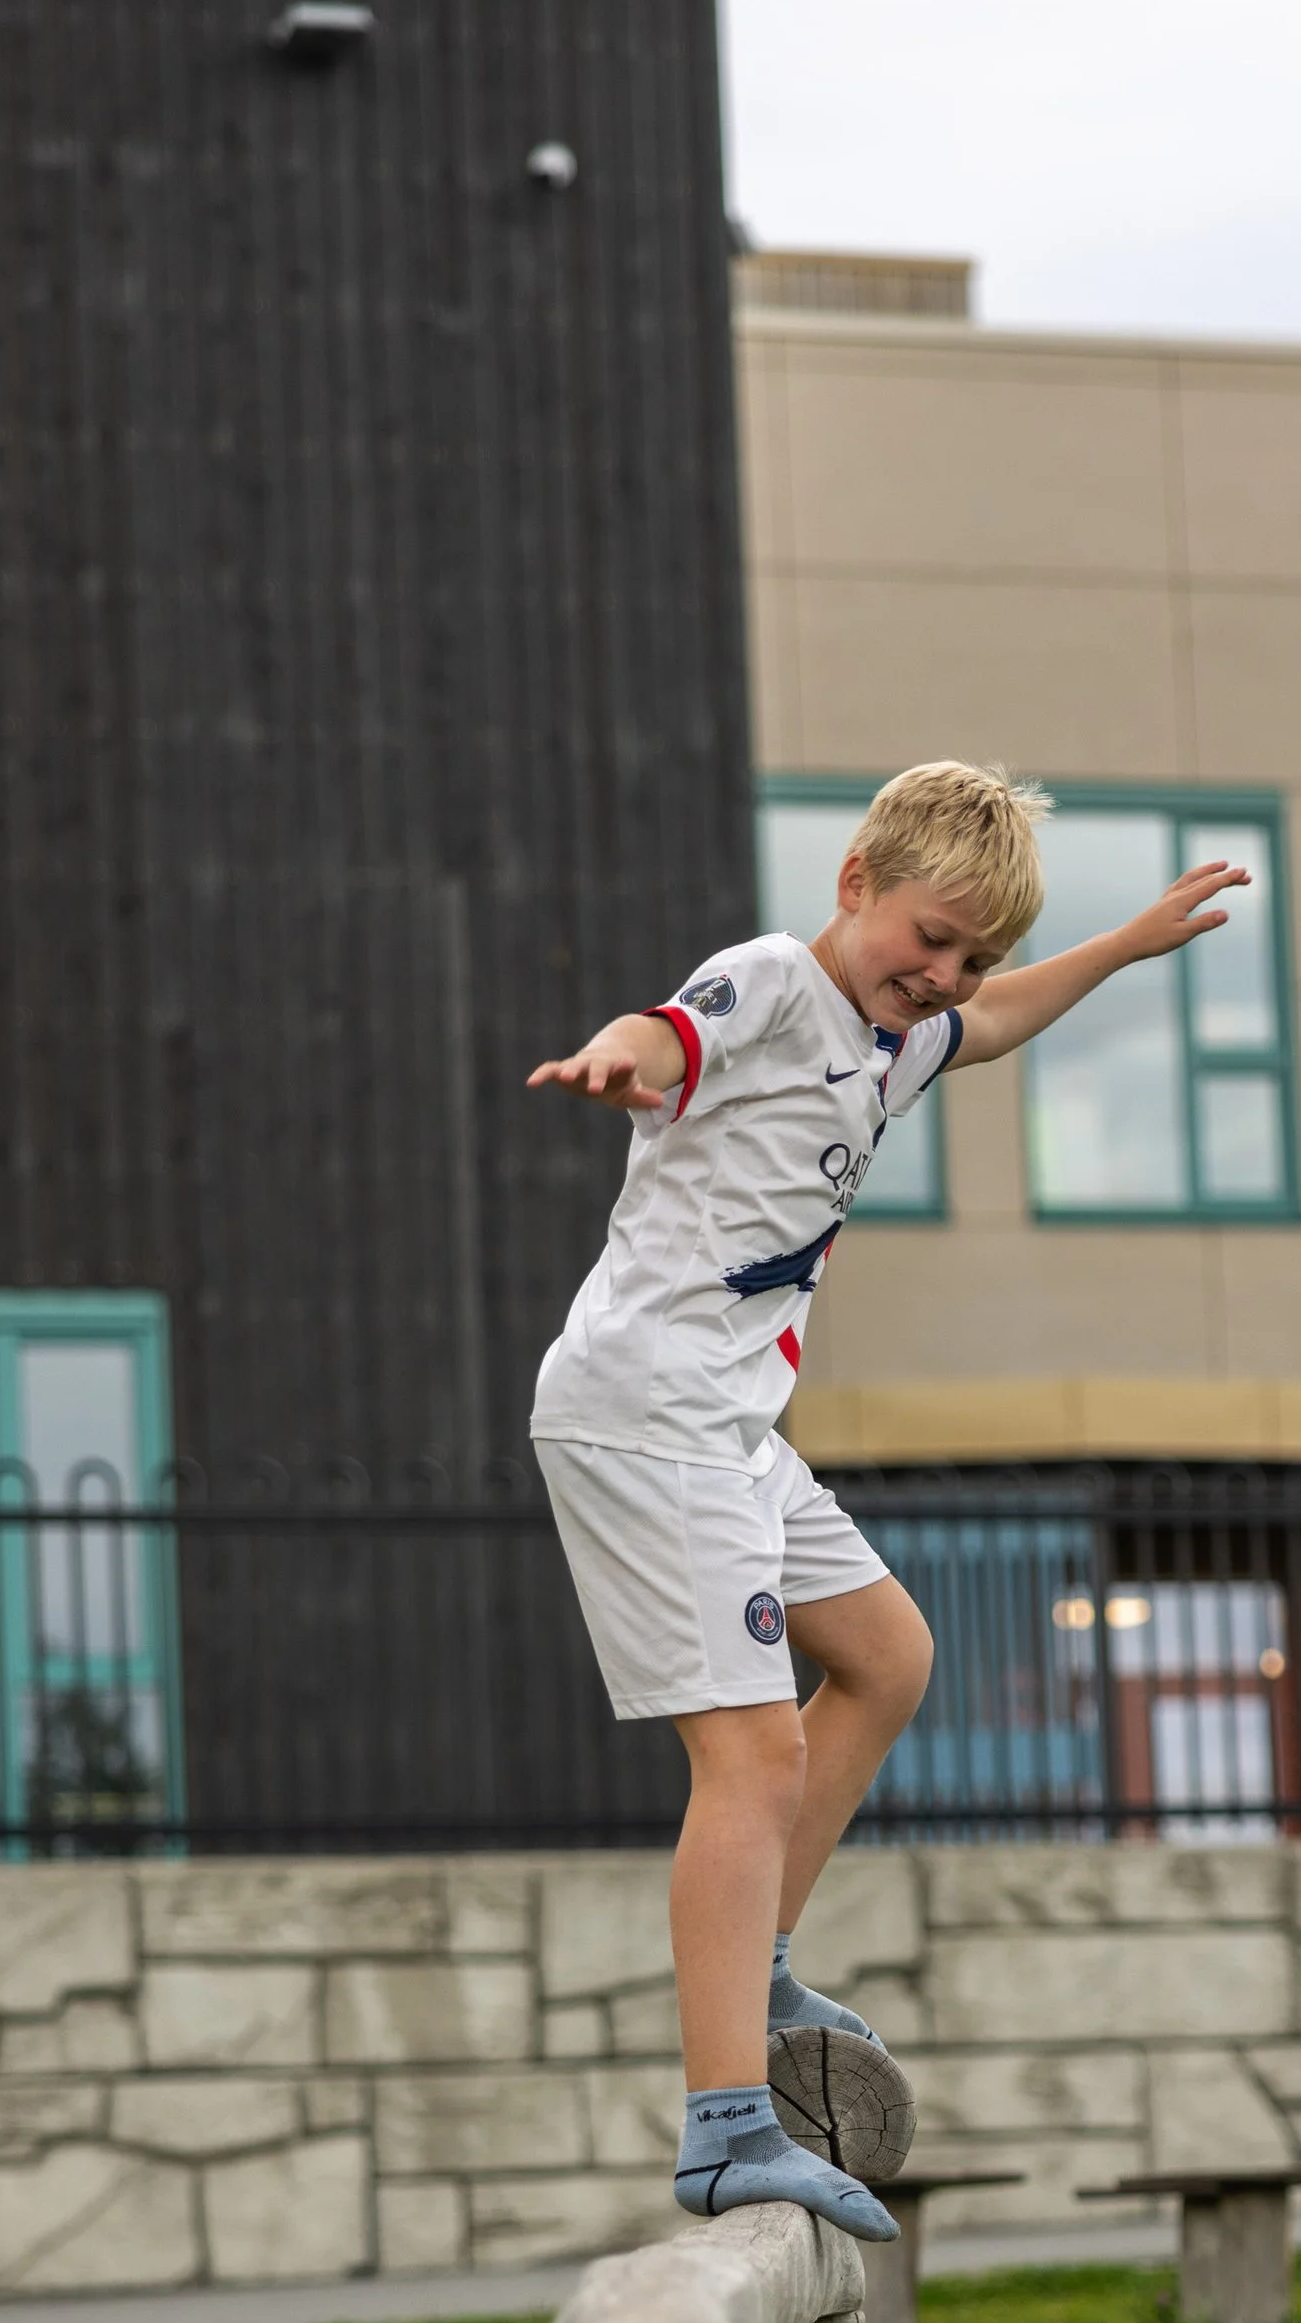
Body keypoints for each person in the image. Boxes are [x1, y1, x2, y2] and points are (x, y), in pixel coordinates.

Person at [529, 759, 1250, 2239]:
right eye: (926, 937)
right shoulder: (783, 982)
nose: (942, 975)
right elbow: (671, 1034)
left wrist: (1123, 943)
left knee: (889, 1655)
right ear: (854, 885)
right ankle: (728, 2126)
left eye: (966, 954)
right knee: (753, 1757)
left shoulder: (895, 1038)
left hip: (734, 1426)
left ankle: (763, 1953)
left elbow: (995, 1026)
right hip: (648, 1413)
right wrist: (617, 1060)